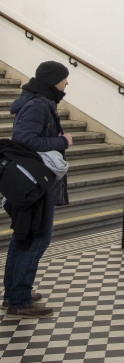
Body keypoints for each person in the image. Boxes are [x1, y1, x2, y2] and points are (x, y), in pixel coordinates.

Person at [3, 61, 73, 320]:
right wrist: (62, 141)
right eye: (64, 78)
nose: (67, 83)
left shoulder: (38, 100)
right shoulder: (39, 104)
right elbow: (24, 139)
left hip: (33, 181)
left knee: (24, 236)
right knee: (36, 238)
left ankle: (14, 293)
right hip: (36, 183)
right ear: (53, 79)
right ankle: (19, 300)